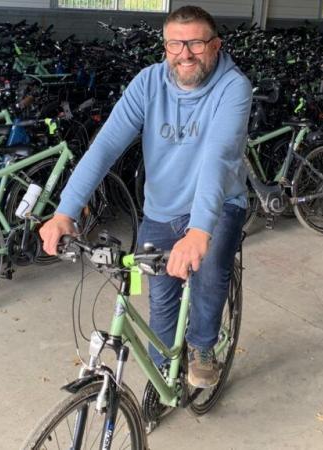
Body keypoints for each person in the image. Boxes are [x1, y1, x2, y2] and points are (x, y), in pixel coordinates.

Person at [39, 5, 252, 388]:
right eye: (175, 44)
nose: (185, 53)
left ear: (216, 45)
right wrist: (65, 210)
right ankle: (162, 373)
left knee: (210, 269)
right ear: (165, 46)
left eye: (196, 43)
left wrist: (200, 231)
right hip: (162, 206)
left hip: (218, 206)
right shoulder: (148, 83)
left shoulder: (233, 87)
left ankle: (203, 345)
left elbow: (218, 159)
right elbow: (105, 146)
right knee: (161, 296)